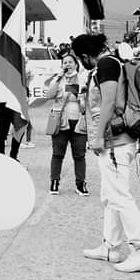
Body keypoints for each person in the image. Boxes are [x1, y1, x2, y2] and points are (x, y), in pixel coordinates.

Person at [72, 32, 140, 273]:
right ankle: (110, 246)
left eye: (80, 59)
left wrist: (98, 136)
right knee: (110, 195)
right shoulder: (111, 63)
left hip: (115, 140)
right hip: (116, 140)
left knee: (120, 195)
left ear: (86, 56)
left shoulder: (106, 64)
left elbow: (109, 101)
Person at [44, 53, 88, 196]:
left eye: (70, 62)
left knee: (79, 154)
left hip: (78, 120)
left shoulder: (83, 78)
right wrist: (58, 78)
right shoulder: (57, 79)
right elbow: (50, 95)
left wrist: (74, 91)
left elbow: (86, 96)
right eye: (65, 62)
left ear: (76, 64)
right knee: (57, 154)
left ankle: (80, 184)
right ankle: (54, 181)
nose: (67, 65)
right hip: (60, 120)